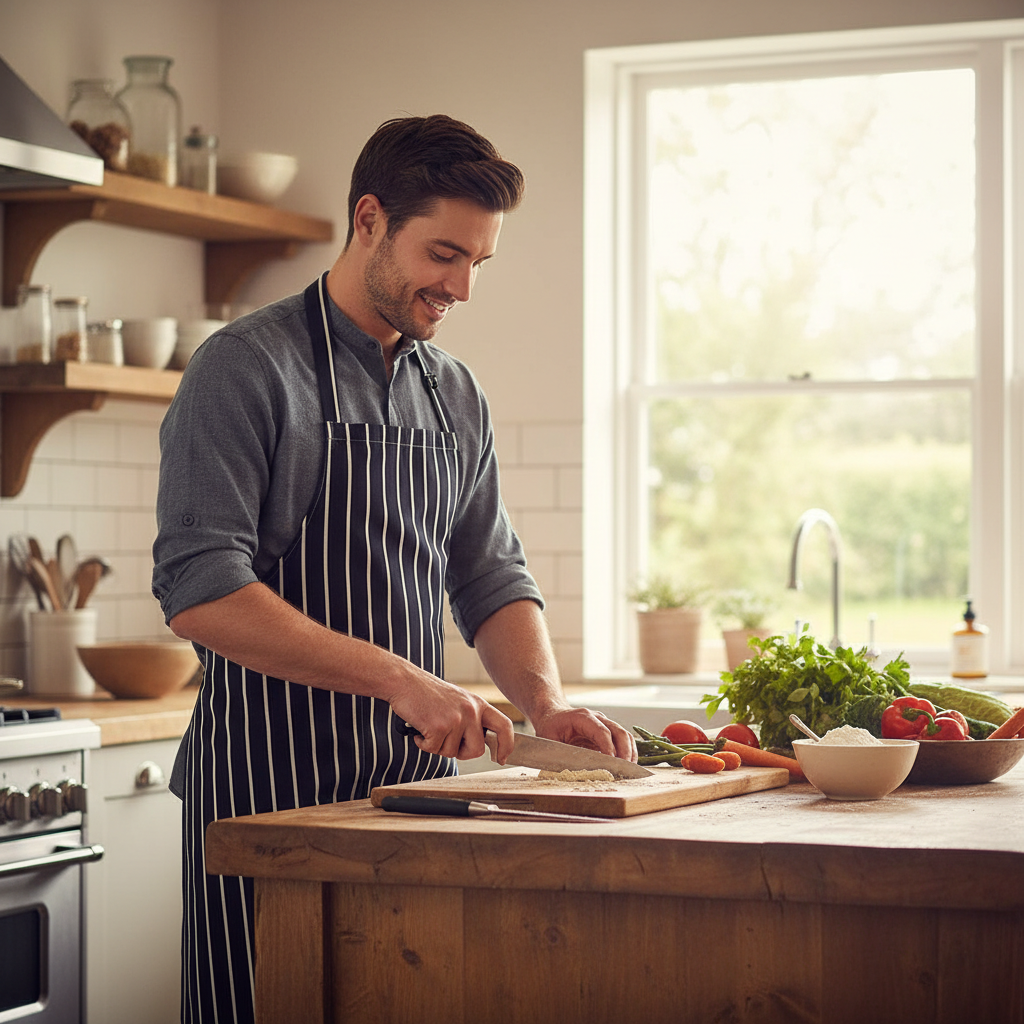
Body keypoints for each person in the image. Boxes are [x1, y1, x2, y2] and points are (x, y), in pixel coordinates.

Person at [152, 114, 637, 1024]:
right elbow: (200, 589)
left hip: (418, 801)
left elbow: (490, 573)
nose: (460, 287)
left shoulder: (452, 390)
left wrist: (546, 703)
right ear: (369, 219)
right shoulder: (244, 370)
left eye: (477, 264)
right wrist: (401, 678)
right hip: (267, 798)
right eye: (443, 254)